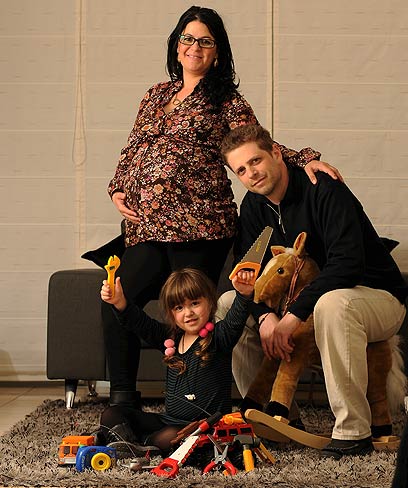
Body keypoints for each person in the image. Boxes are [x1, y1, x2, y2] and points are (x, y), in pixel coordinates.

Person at [102, 5, 341, 409]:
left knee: (192, 313)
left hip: (200, 226)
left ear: (217, 53)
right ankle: (122, 399)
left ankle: (198, 401)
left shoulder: (224, 99)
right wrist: (117, 188)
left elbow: (256, 143)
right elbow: (133, 148)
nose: (194, 47)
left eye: (206, 41)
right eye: (188, 38)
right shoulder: (155, 95)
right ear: (176, 45)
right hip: (147, 228)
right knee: (115, 296)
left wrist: (304, 159)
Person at [219, 124, 408, 460]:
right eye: (241, 170)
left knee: (333, 303)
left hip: (375, 296)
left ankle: (353, 430)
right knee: (229, 303)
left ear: (276, 153)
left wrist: (292, 316)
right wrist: (265, 316)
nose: (251, 174)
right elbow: (249, 270)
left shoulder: (323, 188)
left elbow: (346, 265)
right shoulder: (253, 207)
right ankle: (275, 416)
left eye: (256, 161)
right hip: (302, 305)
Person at [96, 266, 255, 458]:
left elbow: (235, 321)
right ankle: (134, 444)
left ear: (210, 303)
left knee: (169, 437)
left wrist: (244, 294)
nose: (188, 313)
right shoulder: (171, 338)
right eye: (179, 308)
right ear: (171, 313)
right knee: (111, 414)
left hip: (202, 427)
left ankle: (133, 443)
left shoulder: (219, 337)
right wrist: (119, 302)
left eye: (195, 303)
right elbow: (141, 323)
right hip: (168, 420)